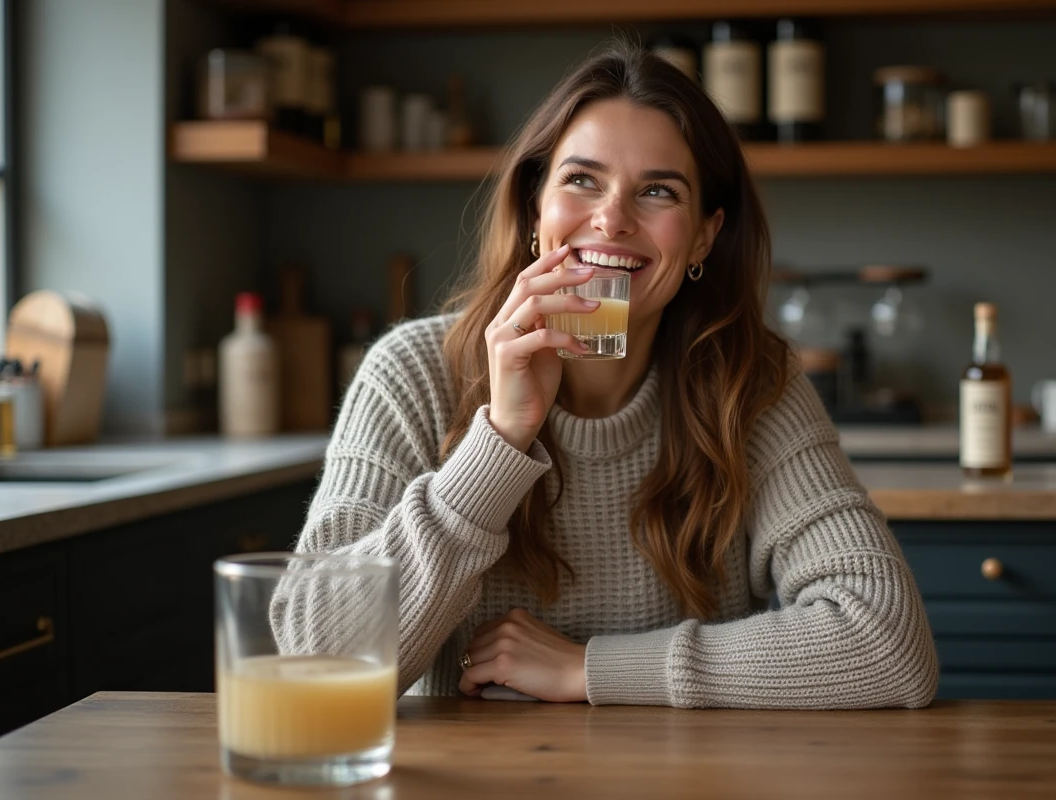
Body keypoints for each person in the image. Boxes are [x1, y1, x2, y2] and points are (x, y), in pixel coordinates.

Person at [280, 41, 939, 709]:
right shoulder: (411, 374)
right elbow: (313, 666)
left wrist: (587, 670)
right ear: (537, 208)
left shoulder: (752, 384)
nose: (612, 219)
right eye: (582, 180)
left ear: (704, 238)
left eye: (657, 190)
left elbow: (888, 643)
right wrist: (501, 442)